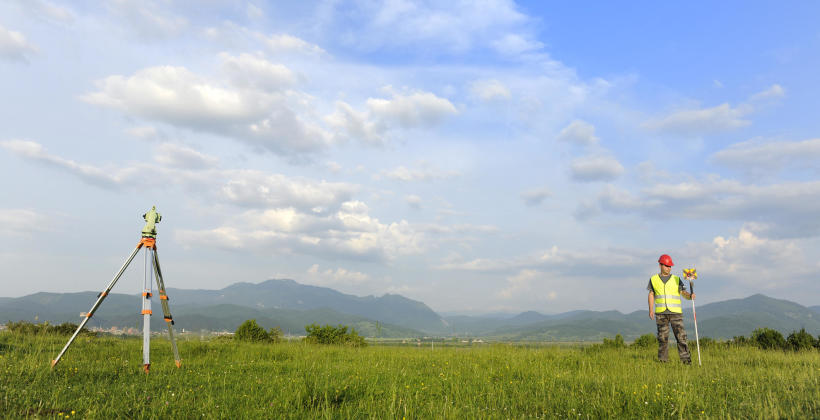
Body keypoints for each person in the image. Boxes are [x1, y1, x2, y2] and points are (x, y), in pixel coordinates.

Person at [647, 254, 695, 364]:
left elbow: (683, 292)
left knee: (681, 338)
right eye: (667, 266)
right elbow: (651, 294)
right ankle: (663, 362)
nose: (669, 268)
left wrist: (690, 296)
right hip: (661, 313)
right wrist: (651, 309)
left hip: (676, 313)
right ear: (660, 265)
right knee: (662, 339)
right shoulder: (653, 279)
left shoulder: (676, 279)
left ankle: (686, 362)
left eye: (670, 266)